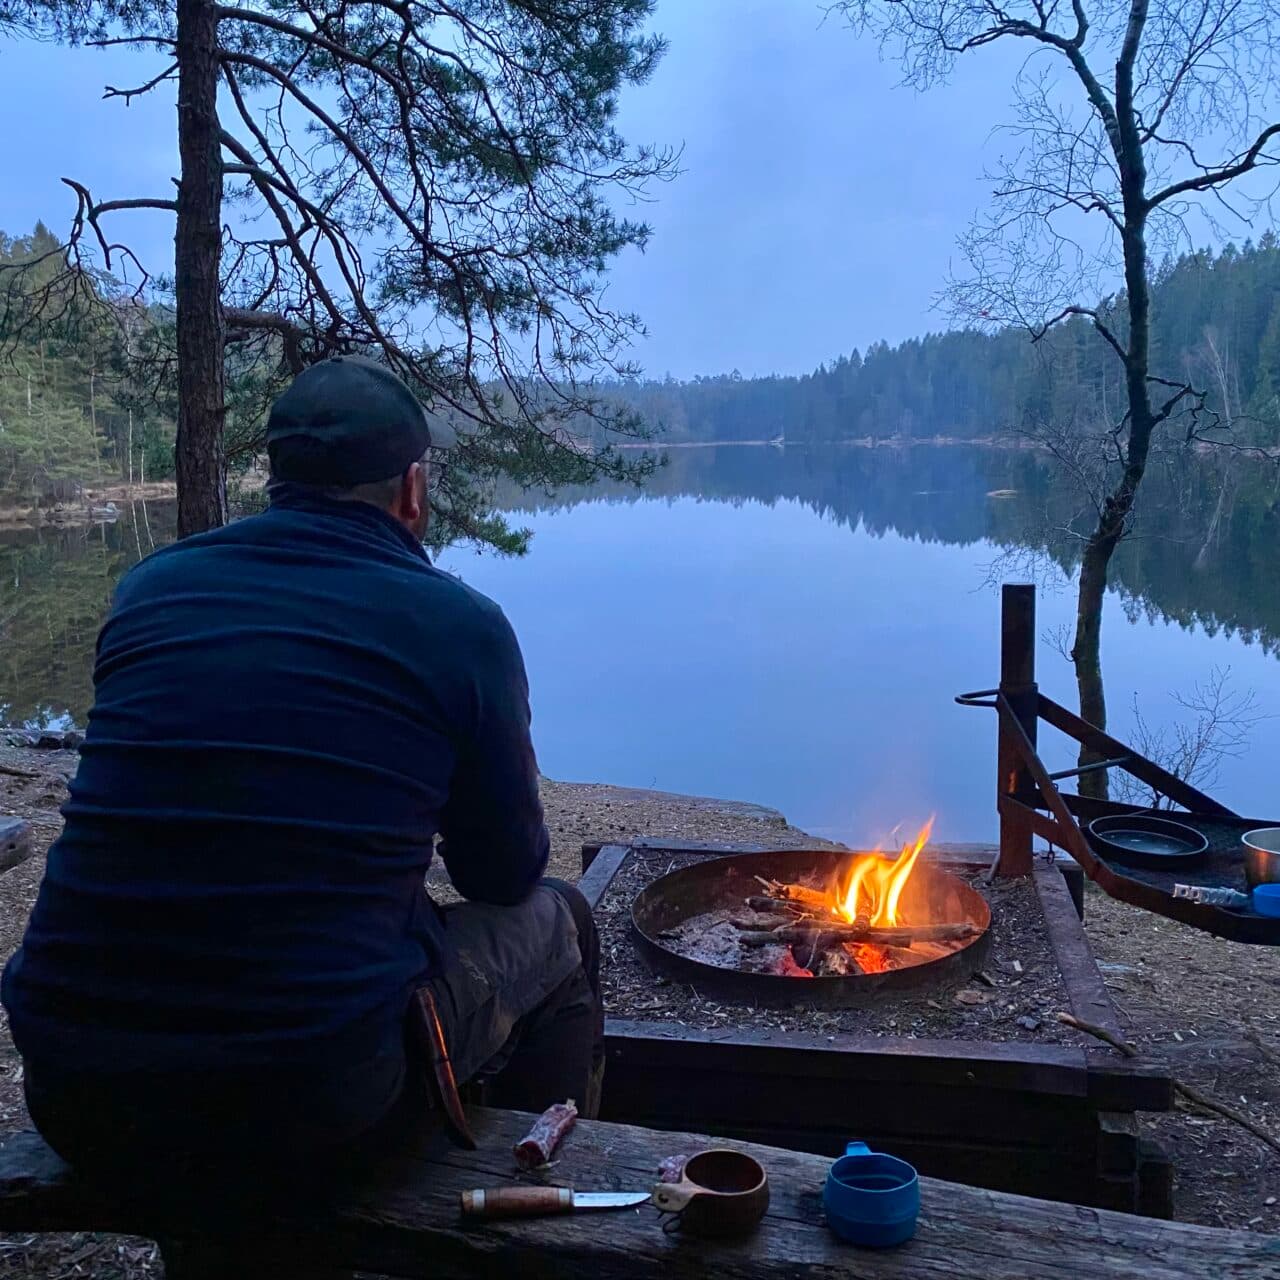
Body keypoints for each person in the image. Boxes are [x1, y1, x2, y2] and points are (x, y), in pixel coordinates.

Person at [2, 355, 602, 1184]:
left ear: (274, 478)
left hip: (76, 1089)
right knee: (563, 921)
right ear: (413, 489)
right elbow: (503, 877)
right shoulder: (458, 625)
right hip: (313, 1101)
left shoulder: (151, 590)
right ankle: (539, 1191)